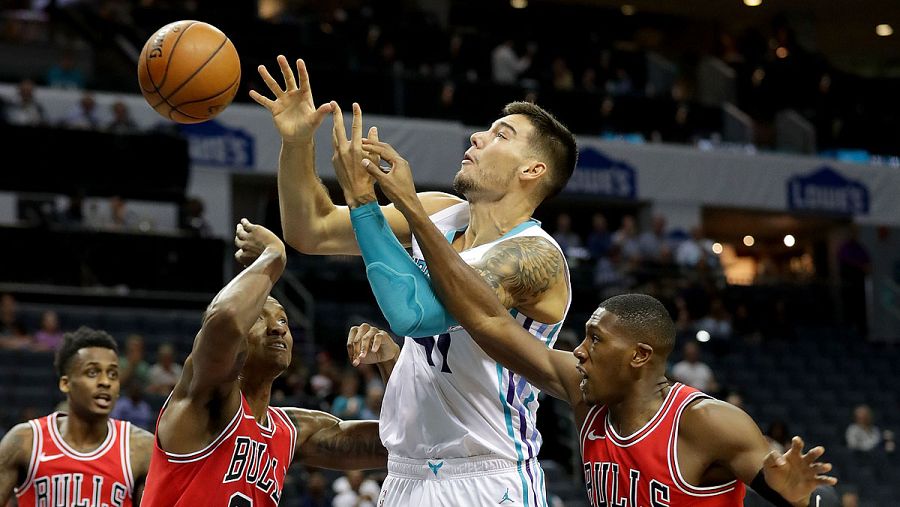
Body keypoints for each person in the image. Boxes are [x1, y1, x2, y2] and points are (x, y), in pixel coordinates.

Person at [350, 141, 840, 507]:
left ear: (639, 356)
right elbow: (489, 323)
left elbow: (785, 486)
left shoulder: (708, 422)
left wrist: (795, 494)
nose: (579, 350)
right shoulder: (583, 393)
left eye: (595, 340)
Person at [251, 55, 575, 505]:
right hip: (405, 473)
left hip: (486, 475)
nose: (478, 137)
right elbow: (312, 230)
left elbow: (417, 314)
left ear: (532, 170)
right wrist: (297, 142)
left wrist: (369, 200)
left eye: (502, 135)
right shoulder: (442, 210)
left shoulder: (534, 256)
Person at [140, 220, 386, 506]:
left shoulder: (291, 431)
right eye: (260, 318)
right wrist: (274, 255)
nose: (278, 328)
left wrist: (391, 362)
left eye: (283, 319)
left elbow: (398, 444)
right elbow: (225, 318)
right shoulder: (206, 397)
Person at [0, 326, 154, 506]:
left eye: (113, 374)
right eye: (92, 372)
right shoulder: (25, 441)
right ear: (66, 384)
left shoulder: (141, 448)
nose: (105, 382)